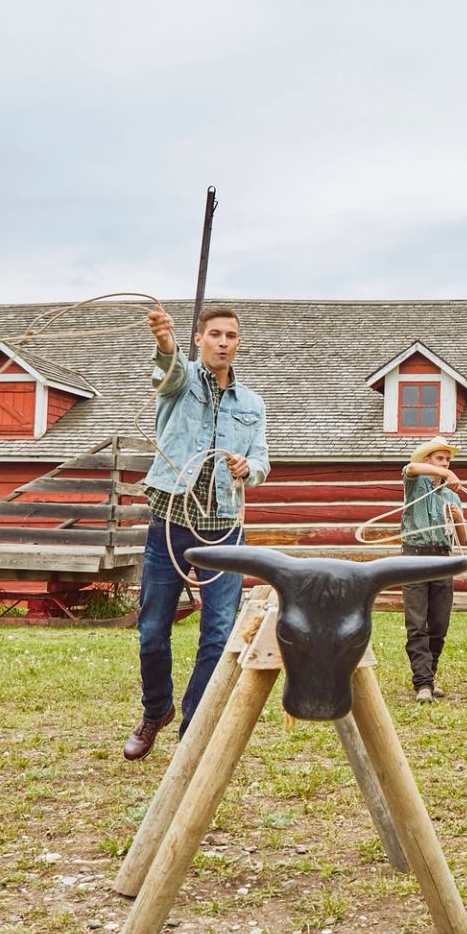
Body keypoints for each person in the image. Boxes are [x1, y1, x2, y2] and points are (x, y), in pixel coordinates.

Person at [122, 304, 271, 761]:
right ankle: (156, 709)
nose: (223, 342)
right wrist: (164, 340)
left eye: (230, 335)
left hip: (223, 527)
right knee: (151, 629)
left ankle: (194, 729)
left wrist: (250, 469)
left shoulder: (252, 403)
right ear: (199, 339)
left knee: (220, 630)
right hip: (170, 519)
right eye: (214, 334)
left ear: (238, 343)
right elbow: (166, 368)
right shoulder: (180, 382)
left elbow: (263, 462)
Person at [398, 435, 464, 703]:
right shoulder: (415, 484)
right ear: (428, 460)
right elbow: (410, 469)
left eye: (447, 459)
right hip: (414, 557)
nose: (445, 462)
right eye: (440, 458)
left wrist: (458, 519)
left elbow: (463, 539)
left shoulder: (450, 496)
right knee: (417, 623)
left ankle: (430, 676)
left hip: (442, 558)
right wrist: (445, 472)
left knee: (439, 624)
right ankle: (422, 684)